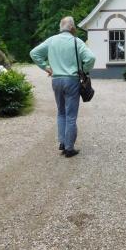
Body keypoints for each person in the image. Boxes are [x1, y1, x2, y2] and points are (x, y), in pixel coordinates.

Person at [30, 16, 96, 158]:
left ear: (61, 28)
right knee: (71, 116)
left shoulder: (52, 40)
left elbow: (34, 53)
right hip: (71, 81)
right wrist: (84, 70)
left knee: (61, 112)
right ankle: (69, 148)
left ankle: (62, 142)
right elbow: (91, 58)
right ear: (72, 28)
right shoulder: (76, 41)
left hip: (56, 80)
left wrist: (46, 67)